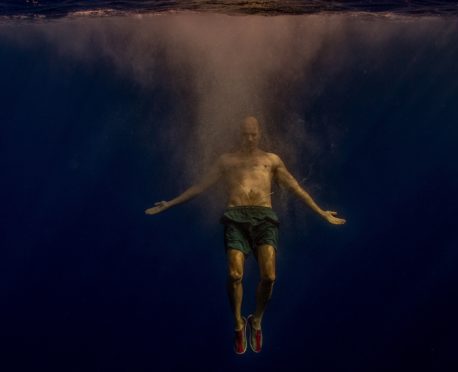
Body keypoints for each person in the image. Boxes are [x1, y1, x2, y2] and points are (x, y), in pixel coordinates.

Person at [145, 116, 346, 354]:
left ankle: (257, 320)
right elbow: (200, 186)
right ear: (239, 134)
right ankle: (239, 323)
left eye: (253, 134)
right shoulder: (226, 161)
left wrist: (321, 212)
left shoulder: (271, 160)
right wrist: (169, 204)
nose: (249, 138)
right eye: (245, 134)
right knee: (234, 273)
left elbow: (295, 188)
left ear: (260, 134)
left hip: (264, 218)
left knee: (269, 277)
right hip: (236, 216)